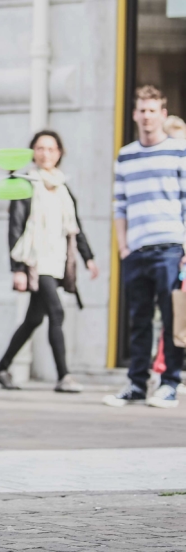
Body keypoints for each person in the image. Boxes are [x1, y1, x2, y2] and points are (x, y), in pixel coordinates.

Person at [0, 130, 96, 394]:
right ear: (33, 153)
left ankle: (1, 368)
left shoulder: (63, 187)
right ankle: (64, 376)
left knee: (34, 319)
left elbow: (74, 227)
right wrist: (18, 269)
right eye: (40, 148)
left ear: (59, 153)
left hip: (58, 260)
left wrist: (88, 257)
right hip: (36, 262)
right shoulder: (24, 184)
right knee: (56, 312)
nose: (45, 153)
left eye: (50, 148)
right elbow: (15, 228)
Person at [106, 86, 186, 408]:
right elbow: (119, 206)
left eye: (153, 110)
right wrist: (123, 247)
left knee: (172, 318)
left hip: (170, 248)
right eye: (142, 110)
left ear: (162, 114)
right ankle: (136, 384)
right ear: (135, 114)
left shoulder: (179, 151)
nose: (147, 116)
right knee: (138, 319)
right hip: (136, 251)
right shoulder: (125, 155)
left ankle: (169, 384)